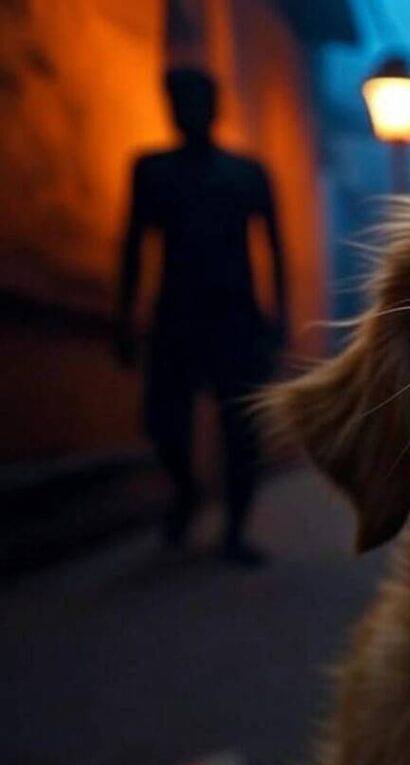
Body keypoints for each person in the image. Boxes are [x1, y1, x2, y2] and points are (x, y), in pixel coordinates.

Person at [115, 67, 287, 566]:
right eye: (179, 100)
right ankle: (187, 491)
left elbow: (273, 248)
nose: (187, 109)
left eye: (196, 99)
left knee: (241, 430)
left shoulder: (247, 174)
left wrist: (278, 316)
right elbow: (133, 246)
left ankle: (233, 531)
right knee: (164, 423)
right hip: (175, 314)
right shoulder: (151, 170)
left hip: (235, 315)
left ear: (213, 108)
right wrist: (124, 318)